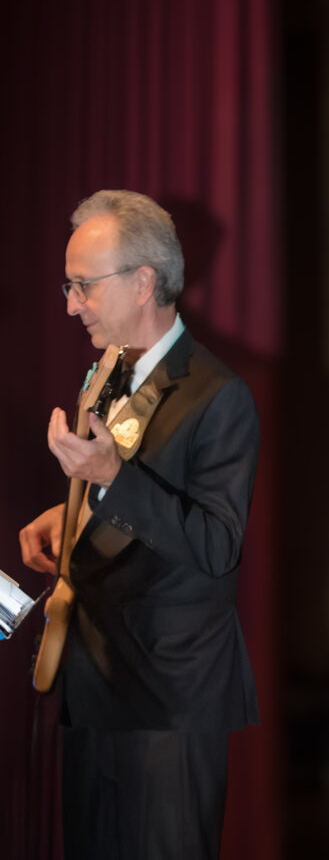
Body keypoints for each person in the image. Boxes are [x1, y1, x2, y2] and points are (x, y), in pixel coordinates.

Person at [19, 190, 259, 860]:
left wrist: (109, 480)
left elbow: (217, 545)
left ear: (144, 281)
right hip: (93, 684)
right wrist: (75, 514)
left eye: (84, 286)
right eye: (69, 287)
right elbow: (139, 502)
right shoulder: (107, 375)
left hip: (169, 704)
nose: (72, 305)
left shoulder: (220, 394)